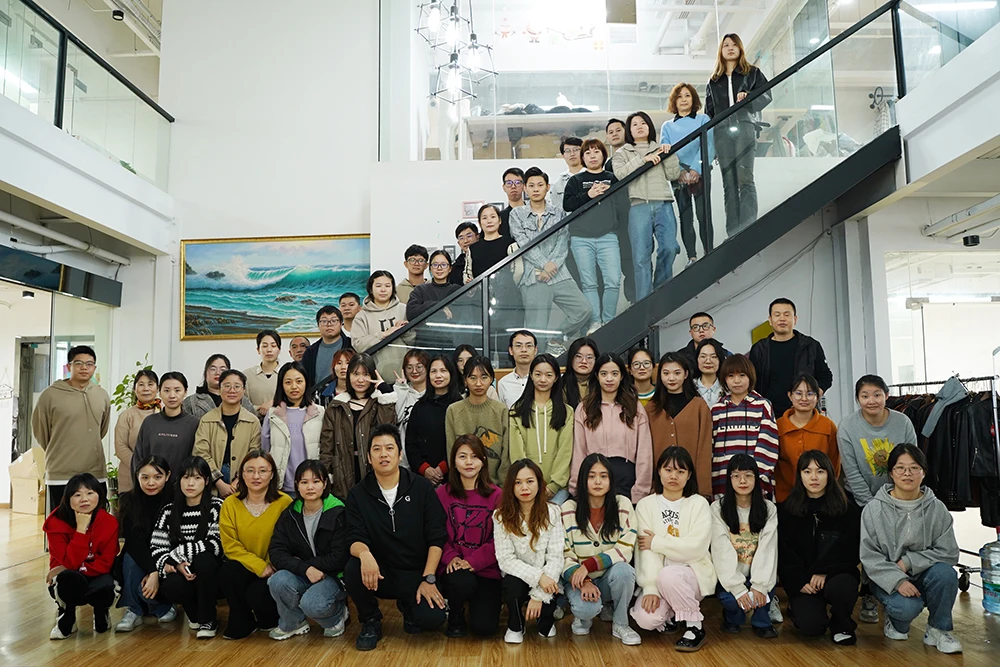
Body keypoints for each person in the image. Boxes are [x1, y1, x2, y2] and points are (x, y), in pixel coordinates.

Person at [344, 424, 448, 651]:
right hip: (379, 572)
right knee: (353, 568)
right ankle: (371, 619)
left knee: (433, 620)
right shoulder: (358, 494)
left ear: (400, 454)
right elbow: (353, 537)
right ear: (369, 457)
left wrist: (429, 578)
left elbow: (437, 536)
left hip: (416, 572)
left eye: (389, 448)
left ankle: (409, 606)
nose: (383, 454)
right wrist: (365, 555)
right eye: (377, 449)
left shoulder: (421, 488)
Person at [860, 444, 962, 654]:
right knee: (906, 608)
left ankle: (938, 629)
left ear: (923, 472)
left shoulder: (937, 508)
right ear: (891, 473)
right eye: (900, 468)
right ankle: (896, 622)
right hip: (886, 577)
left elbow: (948, 551)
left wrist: (908, 562)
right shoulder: (873, 509)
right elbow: (870, 557)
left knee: (946, 574)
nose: (907, 473)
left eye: (914, 468)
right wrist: (897, 580)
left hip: (925, 574)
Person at [838, 374, 918, 623]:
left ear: (886, 396)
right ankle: (868, 593)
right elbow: (851, 471)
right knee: (869, 548)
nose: (871, 400)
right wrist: (872, 506)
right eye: (864, 396)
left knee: (897, 546)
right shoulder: (847, 427)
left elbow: (912, 461)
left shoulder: (902, 422)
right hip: (861, 499)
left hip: (899, 498)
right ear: (857, 399)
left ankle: (897, 591)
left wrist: (898, 497)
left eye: (877, 395)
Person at [630, 447, 715, 652]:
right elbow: (645, 551)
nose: (673, 476)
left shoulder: (699, 504)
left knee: (670, 575)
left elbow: (696, 548)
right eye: (668, 470)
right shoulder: (645, 505)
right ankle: (674, 615)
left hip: (693, 575)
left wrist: (657, 543)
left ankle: (694, 626)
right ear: (659, 471)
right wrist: (650, 587)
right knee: (645, 619)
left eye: (680, 471)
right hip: (659, 579)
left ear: (689, 475)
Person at [778, 450, 861, 645]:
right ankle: (798, 607)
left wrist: (826, 573)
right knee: (812, 627)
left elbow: (851, 551)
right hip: (804, 580)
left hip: (836, 575)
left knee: (842, 587)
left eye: (820, 471)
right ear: (800, 475)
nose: (814, 477)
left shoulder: (846, 508)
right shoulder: (788, 509)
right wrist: (799, 580)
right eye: (807, 472)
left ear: (829, 474)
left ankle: (842, 624)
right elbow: (784, 553)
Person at [510, 167, 592, 356]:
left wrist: (551, 266)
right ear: (525, 188)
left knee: (584, 310)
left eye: (540, 185)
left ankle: (555, 339)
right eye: (531, 185)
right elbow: (524, 243)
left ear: (547, 187)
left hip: (559, 272)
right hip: (533, 276)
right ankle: (537, 364)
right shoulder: (517, 214)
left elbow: (563, 242)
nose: (536, 189)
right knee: (536, 329)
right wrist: (544, 265)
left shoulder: (559, 213)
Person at [561, 453, 641, 645]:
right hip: (578, 581)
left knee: (625, 571)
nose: (598, 481)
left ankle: (620, 623)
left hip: (608, 578)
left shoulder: (622, 504)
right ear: (583, 480)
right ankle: (585, 616)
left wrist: (588, 565)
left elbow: (625, 549)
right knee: (586, 609)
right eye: (591, 476)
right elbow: (564, 553)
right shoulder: (568, 509)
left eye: (603, 476)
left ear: (611, 480)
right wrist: (585, 580)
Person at [267, 460, 349, 640]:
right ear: (297, 485)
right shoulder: (290, 514)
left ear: (325, 484)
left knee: (312, 603)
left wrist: (307, 565)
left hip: (333, 576)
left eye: (316, 481)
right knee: (277, 580)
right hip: (305, 573)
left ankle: (337, 616)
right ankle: (293, 622)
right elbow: (276, 551)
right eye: (304, 482)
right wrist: (305, 569)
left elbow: (339, 557)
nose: (310, 487)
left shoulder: (339, 511)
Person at [218, 450, 293, 639]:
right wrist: (258, 566)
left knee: (257, 595)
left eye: (262, 471)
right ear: (242, 475)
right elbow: (230, 545)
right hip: (245, 566)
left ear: (272, 474)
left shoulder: (284, 502)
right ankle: (242, 620)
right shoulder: (230, 503)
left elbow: (290, 542)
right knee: (228, 571)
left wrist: (270, 566)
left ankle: (269, 618)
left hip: (275, 568)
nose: (256, 476)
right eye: (250, 470)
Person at [436, 434, 503, 637]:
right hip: (454, 567)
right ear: (454, 462)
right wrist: (451, 557)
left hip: (486, 568)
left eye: (474, 456)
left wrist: (473, 561)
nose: (468, 462)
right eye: (462, 456)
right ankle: (455, 612)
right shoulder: (441, 494)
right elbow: (435, 533)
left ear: (483, 461)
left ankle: (477, 607)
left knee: (484, 628)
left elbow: (501, 539)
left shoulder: (497, 495)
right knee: (461, 582)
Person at [150, 456, 224, 638]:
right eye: (186, 477)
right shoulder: (168, 511)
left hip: (213, 572)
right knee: (171, 585)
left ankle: (208, 619)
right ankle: (195, 615)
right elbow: (157, 548)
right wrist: (175, 565)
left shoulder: (217, 507)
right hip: (182, 572)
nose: (190, 483)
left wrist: (177, 555)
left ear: (207, 481)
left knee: (204, 560)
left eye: (197, 478)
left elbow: (216, 544)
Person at [612, 110, 682, 300]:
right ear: (629, 130)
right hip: (638, 206)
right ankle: (644, 300)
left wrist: (670, 154)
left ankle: (660, 290)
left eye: (643, 123)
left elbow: (673, 175)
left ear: (649, 126)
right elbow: (620, 175)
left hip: (663, 203)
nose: (639, 127)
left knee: (669, 247)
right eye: (634, 124)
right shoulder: (622, 153)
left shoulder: (660, 147)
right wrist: (643, 160)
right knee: (641, 258)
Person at [705, 33, 771, 234]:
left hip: (745, 127)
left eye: (734, 44)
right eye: (726, 45)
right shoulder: (714, 81)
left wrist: (748, 97)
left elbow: (767, 95)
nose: (730, 48)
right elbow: (709, 113)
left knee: (745, 177)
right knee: (729, 183)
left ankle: (748, 228)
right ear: (721, 50)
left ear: (740, 48)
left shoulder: (752, 73)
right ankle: (733, 232)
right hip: (722, 132)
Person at [32, 344, 111, 512]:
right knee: (62, 522)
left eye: (89, 364)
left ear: (94, 368)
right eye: (78, 363)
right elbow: (41, 431)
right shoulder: (50, 395)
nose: (84, 368)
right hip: (61, 472)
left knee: (96, 522)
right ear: (68, 367)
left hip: (95, 471)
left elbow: (102, 430)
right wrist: (60, 448)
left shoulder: (102, 395)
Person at [493, 458, 564, 643]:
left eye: (530, 481)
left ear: (539, 484)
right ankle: (516, 625)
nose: (524, 487)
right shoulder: (500, 516)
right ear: (511, 487)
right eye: (518, 482)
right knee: (512, 585)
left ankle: (544, 620)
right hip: (519, 575)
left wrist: (538, 595)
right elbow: (506, 560)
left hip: (547, 576)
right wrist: (538, 577)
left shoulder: (553, 512)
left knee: (546, 628)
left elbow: (556, 557)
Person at [710, 455, 779, 638]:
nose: (742, 481)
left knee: (763, 592)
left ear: (756, 478)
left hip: (758, 574)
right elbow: (721, 551)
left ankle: (762, 621)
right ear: (729, 479)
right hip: (732, 575)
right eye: (736, 476)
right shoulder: (717, 508)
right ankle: (733, 618)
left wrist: (759, 585)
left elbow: (768, 549)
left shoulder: (769, 509)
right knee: (731, 601)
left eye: (748, 475)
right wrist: (738, 588)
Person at [570, 353, 653, 504]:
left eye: (614, 374)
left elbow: (644, 452)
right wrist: (577, 488)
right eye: (604, 374)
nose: (609, 379)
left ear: (622, 376)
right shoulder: (584, 408)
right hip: (594, 480)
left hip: (627, 481)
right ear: (597, 376)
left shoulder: (634, 407)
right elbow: (579, 451)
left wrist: (640, 490)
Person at [44, 473, 118, 639]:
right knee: (68, 578)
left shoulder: (109, 522)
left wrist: (72, 567)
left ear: (99, 495)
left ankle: (101, 611)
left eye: (90, 493)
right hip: (69, 577)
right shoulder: (55, 523)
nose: (84, 499)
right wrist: (81, 530)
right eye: (77, 495)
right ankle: (67, 615)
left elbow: (106, 562)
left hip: (96, 573)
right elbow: (70, 563)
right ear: (68, 499)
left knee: (106, 583)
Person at [563, 138, 625, 332]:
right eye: (587, 153)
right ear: (582, 158)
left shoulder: (612, 178)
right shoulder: (575, 180)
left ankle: (608, 321)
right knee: (589, 283)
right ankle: (595, 322)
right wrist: (588, 195)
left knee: (613, 280)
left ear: (603, 155)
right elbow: (568, 205)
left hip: (608, 236)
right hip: (581, 239)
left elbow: (623, 205)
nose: (592, 156)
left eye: (596, 151)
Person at [319, 353, 397, 498]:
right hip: (343, 471)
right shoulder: (337, 405)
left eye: (366, 374)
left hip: (373, 469)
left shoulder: (379, 402)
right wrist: (327, 473)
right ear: (349, 376)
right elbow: (326, 446)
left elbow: (388, 429)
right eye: (356, 374)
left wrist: (385, 391)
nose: (360, 380)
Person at [115, 455, 176, 632]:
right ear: (137, 476)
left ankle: (161, 606)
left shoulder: (176, 500)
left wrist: (157, 570)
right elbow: (134, 543)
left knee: (146, 591)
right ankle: (134, 609)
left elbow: (175, 541)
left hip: (166, 555)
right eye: (145, 477)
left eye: (157, 477)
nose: (151, 483)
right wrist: (152, 571)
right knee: (130, 558)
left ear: (167, 476)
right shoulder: (128, 500)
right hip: (140, 555)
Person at [748, 298, 833, 418]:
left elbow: (825, 376)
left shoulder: (811, 346)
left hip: (803, 415)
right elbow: (751, 382)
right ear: (770, 320)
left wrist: (811, 396)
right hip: (768, 415)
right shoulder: (759, 349)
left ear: (795, 319)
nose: (782, 318)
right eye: (777, 315)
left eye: (787, 315)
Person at [711, 354, 779, 499]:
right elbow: (710, 448)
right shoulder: (716, 410)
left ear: (750, 377)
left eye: (742, 375)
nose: (737, 381)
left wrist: (757, 477)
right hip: (722, 483)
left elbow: (769, 444)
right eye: (731, 376)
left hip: (757, 485)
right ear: (724, 379)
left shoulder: (762, 406)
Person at [661, 83, 715, 265]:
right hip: (678, 176)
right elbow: (665, 153)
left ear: (694, 99)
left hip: (701, 173)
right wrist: (680, 172)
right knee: (685, 217)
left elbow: (708, 145)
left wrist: (695, 169)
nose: (683, 99)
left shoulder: (703, 119)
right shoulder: (667, 126)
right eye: (679, 96)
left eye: (687, 95)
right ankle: (692, 257)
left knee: (703, 215)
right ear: (674, 101)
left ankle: (709, 253)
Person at [509, 354, 574, 504]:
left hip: (558, 489)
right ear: (531, 375)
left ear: (556, 378)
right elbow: (517, 452)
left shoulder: (567, 412)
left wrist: (553, 486)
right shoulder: (517, 411)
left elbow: (566, 451)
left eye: (548, 375)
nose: (543, 379)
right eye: (538, 374)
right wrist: (529, 483)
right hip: (526, 488)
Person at [645, 352, 713, 496]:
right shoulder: (651, 408)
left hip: (692, 486)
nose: (671, 378)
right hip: (659, 488)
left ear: (686, 374)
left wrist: (703, 490)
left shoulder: (699, 406)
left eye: (677, 373)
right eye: (666, 373)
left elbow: (705, 450)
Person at [192, 369, 262, 498]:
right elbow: (200, 452)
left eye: (237, 386)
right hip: (212, 484)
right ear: (219, 389)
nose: (232, 390)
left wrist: (237, 481)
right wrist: (219, 483)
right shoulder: (207, 420)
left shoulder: (253, 421)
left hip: (243, 484)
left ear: (243, 390)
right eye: (227, 386)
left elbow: (254, 455)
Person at [445, 355, 509, 485]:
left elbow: (506, 454)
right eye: (473, 378)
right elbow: (451, 451)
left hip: (495, 486)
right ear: (465, 380)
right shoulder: (453, 410)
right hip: (463, 486)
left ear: (491, 379)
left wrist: (502, 487)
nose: (478, 383)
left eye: (484, 377)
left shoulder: (501, 410)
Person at [775, 374, 839, 503]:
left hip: (821, 496)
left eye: (810, 394)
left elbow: (834, 462)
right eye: (798, 393)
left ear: (817, 396)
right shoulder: (778, 426)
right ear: (790, 396)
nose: (804, 398)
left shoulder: (828, 426)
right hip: (786, 497)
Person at [262, 362, 323, 494]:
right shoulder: (273, 414)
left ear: (306, 383)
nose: (294, 386)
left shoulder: (319, 413)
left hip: (312, 486)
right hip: (282, 486)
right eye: (288, 382)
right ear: (281, 385)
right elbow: (265, 450)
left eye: (299, 381)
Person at [406, 354, 463, 484]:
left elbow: (461, 442)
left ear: (451, 374)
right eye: (433, 371)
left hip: (452, 476)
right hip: (422, 477)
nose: (438, 376)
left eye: (443, 371)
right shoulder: (420, 406)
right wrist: (424, 469)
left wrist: (442, 469)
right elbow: (410, 443)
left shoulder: (459, 405)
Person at [134, 372, 198, 479]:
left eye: (177, 390)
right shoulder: (150, 422)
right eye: (167, 390)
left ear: (185, 392)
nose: (172, 395)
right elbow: (138, 458)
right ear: (159, 392)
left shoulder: (194, 424)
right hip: (152, 485)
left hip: (182, 485)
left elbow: (196, 461)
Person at [352, 270, 410, 379]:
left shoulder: (404, 309)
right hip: (376, 377)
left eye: (387, 286)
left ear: (393, 288)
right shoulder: (362, 316)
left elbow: (415, 341)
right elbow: (358, 345)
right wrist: (382, 335)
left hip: (406, 374)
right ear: (371, 289)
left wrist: (406, 330)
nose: (383, 290)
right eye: (378, 286)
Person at [604, 118, 636, 303]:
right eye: (611, 132)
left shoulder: (636, 155)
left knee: (640, 258)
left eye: (618, 130)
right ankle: (633, 300)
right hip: (619, 220)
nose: (615, 134)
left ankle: (643, 297)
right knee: (627, 260)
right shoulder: (608, 165)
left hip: (638, 211)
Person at [114, 369, 160, 494]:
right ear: (135, 389)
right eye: (141, 384)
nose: (146, 388)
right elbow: (120, 447)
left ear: (157, 388)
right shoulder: (127, 415)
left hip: (159, 477)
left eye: (150, 384)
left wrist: (157, 469)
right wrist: (141, 467)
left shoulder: (164, 413)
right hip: (131, 476)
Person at [183, 353, 255, 419]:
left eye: (222, 369)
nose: (218, 373)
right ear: (205, 373)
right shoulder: (191, 402)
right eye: (213, 369)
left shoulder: (242, 400)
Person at [393, 348, 429, 469]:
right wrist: (400, 389)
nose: (414, 371)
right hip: (404, 462)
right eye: (409, 367)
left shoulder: (434, 394)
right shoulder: (401, 390)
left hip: (430, 462)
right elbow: (396, 418)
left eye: (419, 367)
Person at [301, 306, 352, 389]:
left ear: (341, 323)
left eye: (334, 321)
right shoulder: (310, 352)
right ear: (318, 325)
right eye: (324, 321)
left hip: (345, 392)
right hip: (318, 395)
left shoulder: (351, 345)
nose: (329, 324)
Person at [405, 250, 460, 324]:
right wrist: (438, 306)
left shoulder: (457, 290)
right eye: (435, 265)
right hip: (425, 330)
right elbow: (411, 313)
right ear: (430, 268)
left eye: (444, 265)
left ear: (450, 268)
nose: (439, 268)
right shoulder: (420, 290)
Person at [244, 330, 282, 417]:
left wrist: (274, 403)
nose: (269, 350)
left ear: (279, 350)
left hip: (282, 422)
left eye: (273, 346)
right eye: (264, 346)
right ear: (258, 350)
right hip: (253, 421)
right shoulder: (247, 375)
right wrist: (260, 408)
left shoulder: (287, 374)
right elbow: (241, 403)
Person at [498, 330, 537, 408]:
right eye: (518, 345)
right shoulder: (503, 383)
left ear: (535, 350)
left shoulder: (542, 380)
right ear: (511, 350)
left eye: (529, 346)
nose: (524, 350)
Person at [563, 337, 599, 409]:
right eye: (579, 356)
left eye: (589, 357)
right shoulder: (561, 385)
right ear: (571, 358)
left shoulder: (601, 384)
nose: (584, 361)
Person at [551, 136, 584, 209]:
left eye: (576, 150)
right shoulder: (558, 185)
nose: (572, 154)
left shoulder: (592, 176)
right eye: (568, 151)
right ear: (563, 155)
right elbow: (557, 211)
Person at [693, 338, 725, 407]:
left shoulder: (727, 387)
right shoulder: (689, 387)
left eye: (713, 357)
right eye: (703, 356)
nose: (708, 361)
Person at [450, 222, 480, 286]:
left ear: (477, 237)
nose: (465, 241)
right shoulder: (455, 267)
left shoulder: (485, 258)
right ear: (458, 243)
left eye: (469, 236)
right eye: (461, 238)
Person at [499, 167, 525, 237]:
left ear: (524, 186)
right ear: (504, 187)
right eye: (509, 183)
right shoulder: (500, 218)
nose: (513, 186)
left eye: (517, 182)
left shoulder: (532, 212)